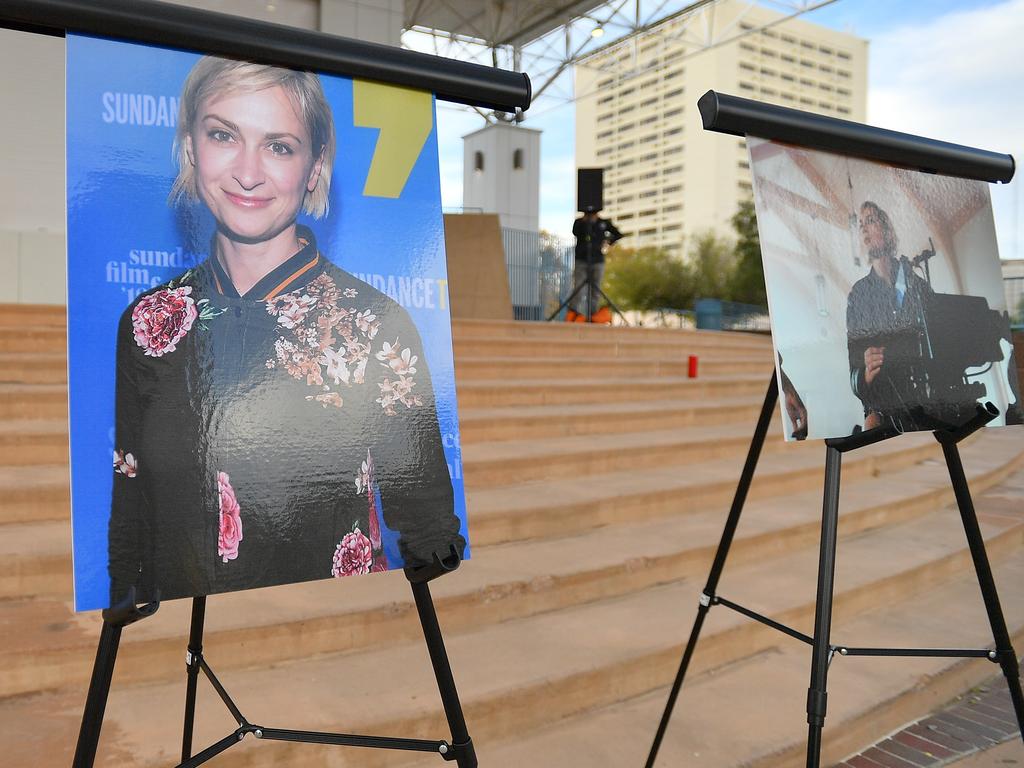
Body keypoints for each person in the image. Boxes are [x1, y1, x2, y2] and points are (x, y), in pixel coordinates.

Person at [108, 56, 464, 608]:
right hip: (179, 640)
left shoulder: (375, 327)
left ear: (315, 166)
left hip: (332, 650)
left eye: (279, 146)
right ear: (189, 146)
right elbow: (131, 512)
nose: (248, 172)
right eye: (224, 135)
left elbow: (427, 525)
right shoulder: (148, 324)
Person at [846, 201, 935, 432]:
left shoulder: (918, 285)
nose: (864, 228)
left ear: (887, 230)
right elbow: (853, 371)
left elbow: (938, 334)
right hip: (882, 408)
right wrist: (865, 372)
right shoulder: (858, 295)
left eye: (871, 221)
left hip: (926, 400)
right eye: (861, 224)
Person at [568, 209, 622, 323]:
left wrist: (608, 241)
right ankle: (573, 315)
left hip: (597, 260)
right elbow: (575, 232)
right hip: (581, 259)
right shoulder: (579, 222)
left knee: (595, 290)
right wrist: (585, 222)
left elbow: (618, 234)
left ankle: (593, 316)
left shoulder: (603, 223)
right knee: (579, 288)